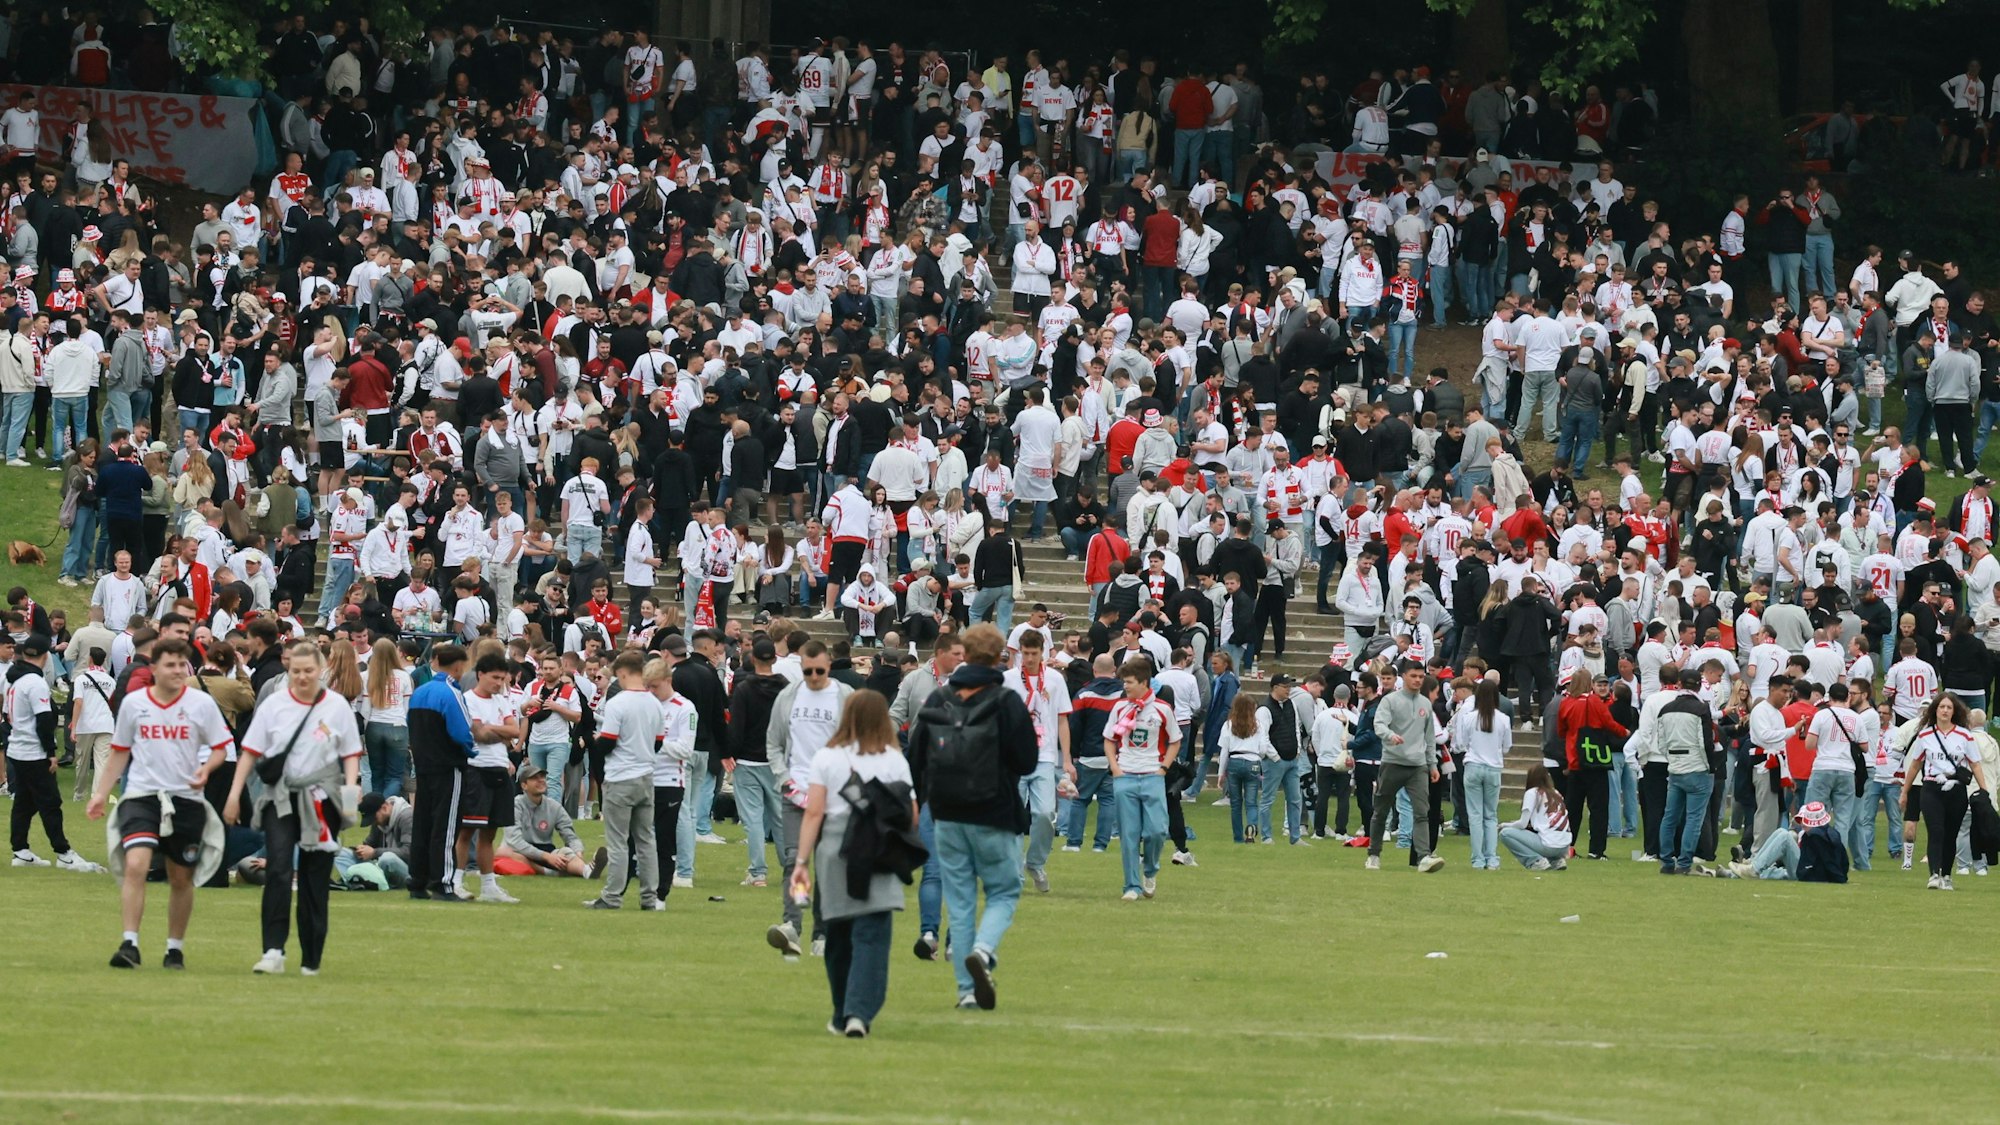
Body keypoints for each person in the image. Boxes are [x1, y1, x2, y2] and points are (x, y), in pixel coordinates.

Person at [905, 623, 1035, 1009]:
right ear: (999, 658)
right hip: (993, 809)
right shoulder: (1006, 701)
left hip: (945, 813)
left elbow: (914, 761)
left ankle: (966, 992)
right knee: (1004, 890)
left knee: (959, 902)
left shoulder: (938, 700)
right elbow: (1027, 760)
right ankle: (983, 949)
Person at [92, 639, 234, 969]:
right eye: (169, 665)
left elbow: (221, 748)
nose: (177, 671)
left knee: (181, 878)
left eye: (181, 664)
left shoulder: (200, 704)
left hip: (186, 799)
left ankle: (174, 948)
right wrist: (101, 793)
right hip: (143, 796)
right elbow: (120, 751)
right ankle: (130, 944)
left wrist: (206, 769)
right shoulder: (135, 704)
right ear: (153, 669)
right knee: (136, 865)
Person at [225, 639, 362, 975]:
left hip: (324, 797)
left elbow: (350, 755)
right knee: (278, 869)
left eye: (309, 671)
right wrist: (234, 793)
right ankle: (273, 950)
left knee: (315, 878)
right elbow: (251, 752)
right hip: (281, 797)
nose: (302, 677)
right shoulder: (274, 705)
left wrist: (348, 798)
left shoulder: (336, 707)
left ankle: (311, 957)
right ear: (289, 669)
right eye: (296, 671)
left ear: (321, 671)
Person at [789, 689, 916, 1038]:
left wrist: (801, 861)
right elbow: (911, 814)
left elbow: (813, 812)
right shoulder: (895, 759)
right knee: (873, 935)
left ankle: (842, 1010)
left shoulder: (827, 758)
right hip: (879, 847)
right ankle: (859, 1012)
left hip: (836, 848)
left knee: (839, 935)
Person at [766, 640, 855, 957]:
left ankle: (823, 931)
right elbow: (774, 743)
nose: (814, 676)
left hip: (832, 795)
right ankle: (792, 924)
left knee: (829, 865)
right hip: (796, 791)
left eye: (819, 670)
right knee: (794, 860)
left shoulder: (844, 696)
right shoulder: (788, 696)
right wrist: (784, 778)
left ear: (829, 666)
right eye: (807, 671)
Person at [581, 650, 668, 911]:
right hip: (646, 775)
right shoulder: (655, 702)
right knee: (646, 839)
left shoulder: (618, 702)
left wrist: (597, 745)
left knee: (618, 841)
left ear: (621, 673)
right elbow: (658, 742)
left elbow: (608, 740)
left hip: (621, 776)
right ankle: (649, 898)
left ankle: (612, 896)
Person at [8, 636, 100, 871]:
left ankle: (20, 850)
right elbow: (43, 720)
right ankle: (64, 852)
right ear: (45, 656)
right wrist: (50, 751)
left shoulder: (16, 680)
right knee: (50, 802)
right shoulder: (35, 682)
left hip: (17, 748)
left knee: (24, 802)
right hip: (33, 752)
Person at [1901, 691, 1992, 890]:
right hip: (1932, 786)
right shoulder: (1925, 734)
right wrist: (1905, 791)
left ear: (1954, 711)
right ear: (1935, 710)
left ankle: (1947, 875)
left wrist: (1984, 791)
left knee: (1951, 833)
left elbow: (1975, 764)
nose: (1945, 710)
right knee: (1936, 830)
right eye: (1941, 707)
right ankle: (1934, 873)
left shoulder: (1964, 735)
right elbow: (1915, 765)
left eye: (1949, 707)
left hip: (1956, 788)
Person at [405, 645, 475, 902]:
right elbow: (462, 732)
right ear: (458, 667)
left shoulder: (420, 691)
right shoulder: (450, 692)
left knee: (422, 823)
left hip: (423, 765)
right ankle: (443, 883)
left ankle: (417, 880)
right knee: (445, 826)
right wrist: (471, 750)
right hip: (448, 766)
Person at [1006, 630, 1072, 891]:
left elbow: (1063, 719)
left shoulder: (1055, 679)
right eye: (1026, 653)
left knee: (1045, 813)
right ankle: (1014, 875)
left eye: (1035, 653)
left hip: (1044, 755)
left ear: (1043, 652)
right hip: (1013, 758)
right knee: (1012, 818)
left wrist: (1066, 759)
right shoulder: (1008, 679)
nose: (1030, 658)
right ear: (1020, 651)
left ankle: (1034, 861)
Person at [1365, 660, 1445, 872]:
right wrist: (1390, 736)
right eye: (1413, 676)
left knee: (1422, 812)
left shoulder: (1426, 704)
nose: (1418, 680)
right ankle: (1374, 854)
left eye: (1421, 677)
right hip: (1393, 762)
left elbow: (1429, 738)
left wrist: (1432, 764)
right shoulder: (1390, 701)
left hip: (1418, 766)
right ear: (1404, 676)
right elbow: (1379, 724)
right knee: (1381, 811)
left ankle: (1423, 857)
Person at [499, 766, 605, 878]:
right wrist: (546, 857)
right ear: (524, 785)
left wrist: (578, 852)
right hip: (519, 851)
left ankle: (587, 871)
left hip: (545, 849)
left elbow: (570, 836)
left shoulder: (554, 806)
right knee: (507, 852)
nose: (541, 780)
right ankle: (550, 872)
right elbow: (515, 841)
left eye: (542, 777)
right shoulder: (514, 805)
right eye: (535, 778)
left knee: (566, 852)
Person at [1452, 678, 1510, 870]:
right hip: (1493, 768)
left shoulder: (1469, 717)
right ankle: (1492, 857)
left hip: (1473, 765)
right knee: (1490, 815)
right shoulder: (1503, 719)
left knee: (1475, 815)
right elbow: (1507, 747)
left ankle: (1477, 859)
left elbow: (1461, 743)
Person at [1728, 800, 1849, 882]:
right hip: (1811, 873)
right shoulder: (1829, 834)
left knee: (1785, 836)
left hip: (1808, 875)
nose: (1802, 824)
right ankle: (1739, 871)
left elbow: (1820, 865)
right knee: (1783, 834)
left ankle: (1753, 868)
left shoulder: (1816, 837)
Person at [1501, 765, 1572, 870]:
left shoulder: (1532, 793)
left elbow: (1523, 824)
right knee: (1543, 833)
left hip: (1549, 845)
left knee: (1505, 833)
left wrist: (1504, 824)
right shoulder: (1555, 793)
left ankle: (1535, 861)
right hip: (1565, 846)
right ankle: (1556, 860)